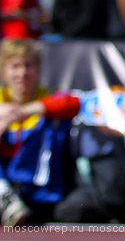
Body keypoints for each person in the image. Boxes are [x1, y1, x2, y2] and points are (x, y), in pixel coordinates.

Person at [0, 39, 81, 226]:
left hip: (40, 188)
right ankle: (4, 195)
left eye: (28, 65)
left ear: (38, 69)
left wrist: (24, 111)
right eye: (15, 66)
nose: (22, 73)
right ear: (4, 71)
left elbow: (74, 103)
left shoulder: (49, 96)